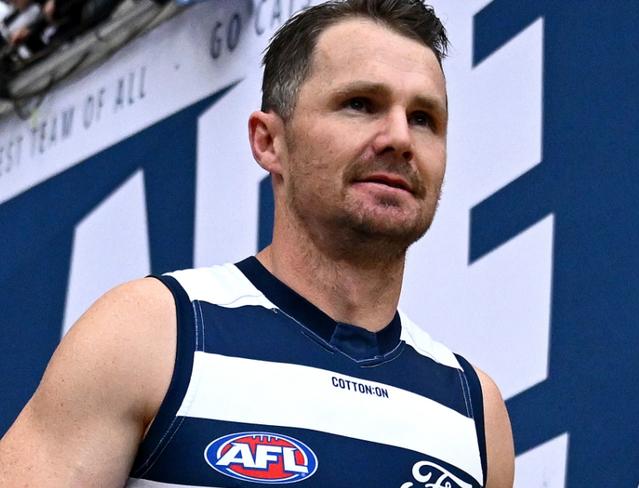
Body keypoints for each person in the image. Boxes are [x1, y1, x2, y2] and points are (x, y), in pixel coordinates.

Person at [0, 0, 514, 486]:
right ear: (269, 142)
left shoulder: (475, 411)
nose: (400, 138)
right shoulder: (152, 332)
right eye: (360, 104)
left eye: (424, 118)